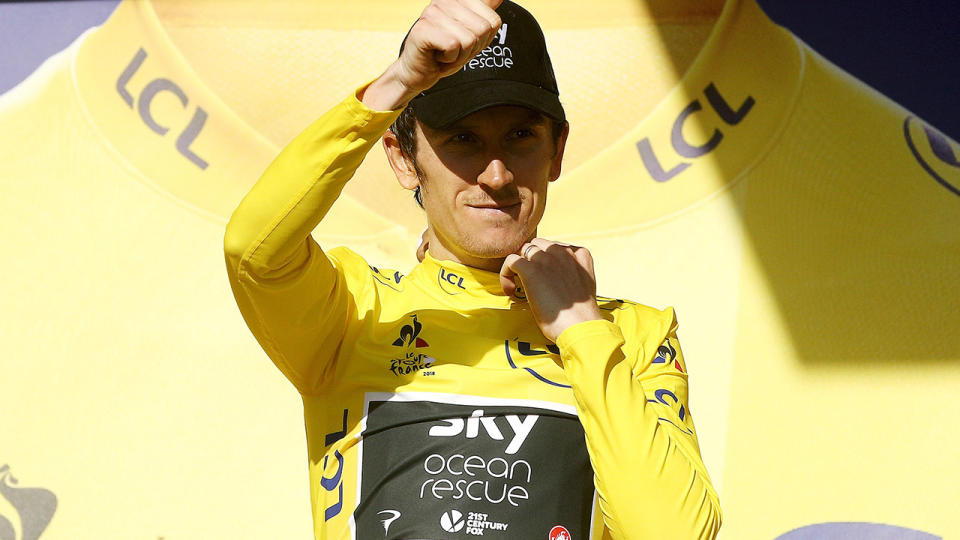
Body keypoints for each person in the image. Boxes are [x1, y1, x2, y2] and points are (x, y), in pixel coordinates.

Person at [224, 0, 721, 538]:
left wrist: (581, 330)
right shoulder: (354, 311)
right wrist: (398, 85)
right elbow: (253, 249)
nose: (498, 174)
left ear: (557, 151)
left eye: (520, 136)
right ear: (402, 158)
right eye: (463, 139)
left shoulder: (632, 335)